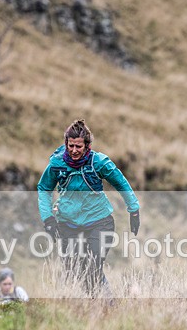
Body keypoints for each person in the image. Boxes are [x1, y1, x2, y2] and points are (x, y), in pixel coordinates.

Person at [37, 119, 140, 296]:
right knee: (73, 270)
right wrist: (48, 219)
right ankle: (94, 304)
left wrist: (134, 210)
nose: (74, 150)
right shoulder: (56, 164)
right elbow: (44, 188)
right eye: (70, 146)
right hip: (68, 223)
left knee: (93, 266)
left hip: (99, 222)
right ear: (66, 144)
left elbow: (121, 183)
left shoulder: (99, 162)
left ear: (87, 145)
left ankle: (105, 305)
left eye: (79, 146)